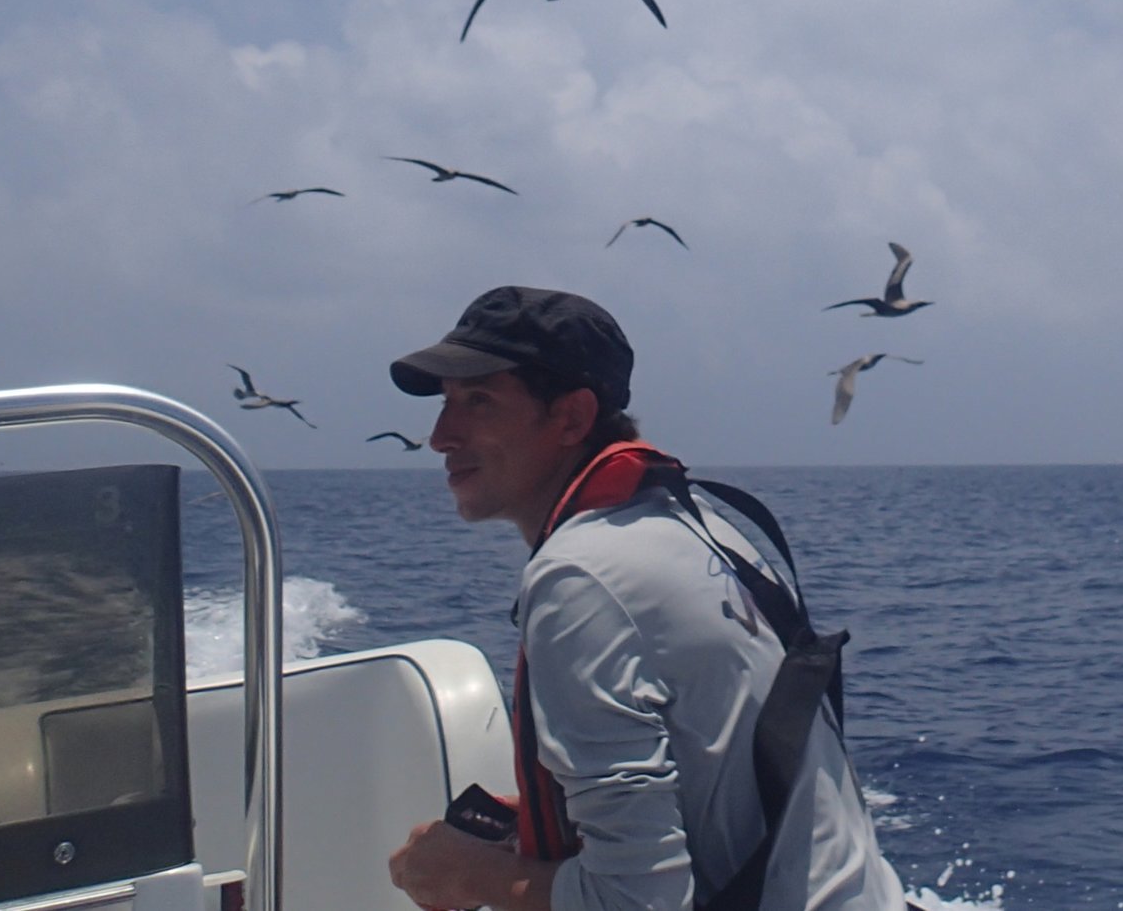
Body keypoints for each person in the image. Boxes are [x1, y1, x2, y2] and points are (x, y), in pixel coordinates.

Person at [383, 287, 910, 911]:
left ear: (572, 418)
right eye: (446, 405)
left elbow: (639, 905)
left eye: (479, 402)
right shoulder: (708, 524)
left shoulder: (581, 579)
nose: (441, 436)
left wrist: (464, 875)